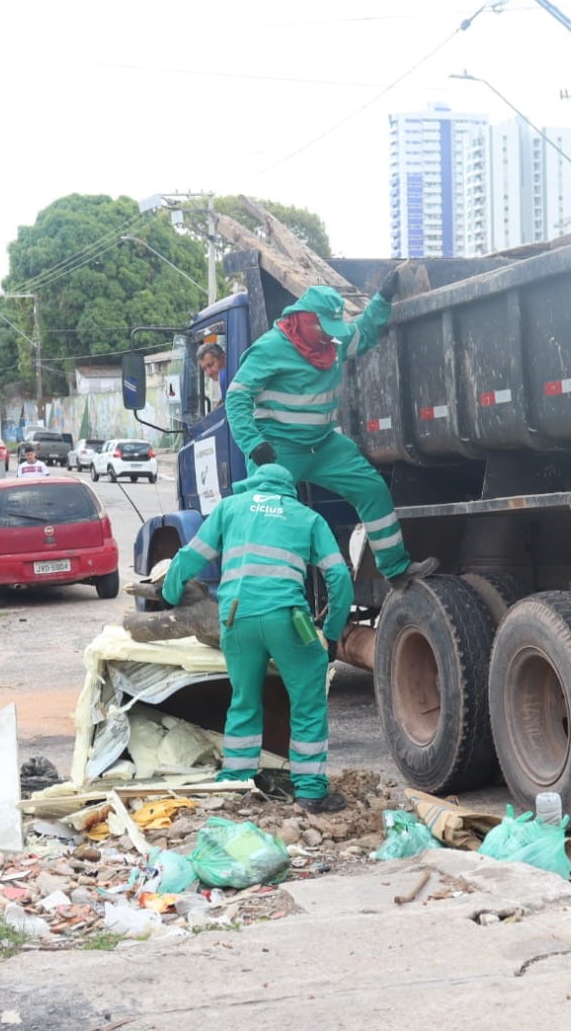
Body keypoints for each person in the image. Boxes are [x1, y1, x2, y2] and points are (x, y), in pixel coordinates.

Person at [160, 461, 354, 813]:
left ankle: (236, 783)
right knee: (307, 702)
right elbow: (339, 577)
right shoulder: (307, 517)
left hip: (235, 619)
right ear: (288, 489)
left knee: (244, 699)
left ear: (254, 483)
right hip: (289, 620)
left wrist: (171, 593)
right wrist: (332, 633)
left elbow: (191, 555)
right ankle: (310, 791)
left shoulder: (230, 508)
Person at [224, 269, 435, 589]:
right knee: (266, 513)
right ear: (305, 319)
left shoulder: (330, 343)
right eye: (324, 328)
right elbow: (237, 397)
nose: (329, 336)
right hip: (279, 448)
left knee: (372, 489)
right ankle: (255, 587)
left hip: (322, 445)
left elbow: (363, 332)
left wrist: (383, 297)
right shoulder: (269, 348)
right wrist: (253, 443)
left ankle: (395, 568)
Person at [196, 342, 226, 409]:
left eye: (211, 365)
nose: (209, 373)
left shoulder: (224, 377)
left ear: (223, 358)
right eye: (204, 369)